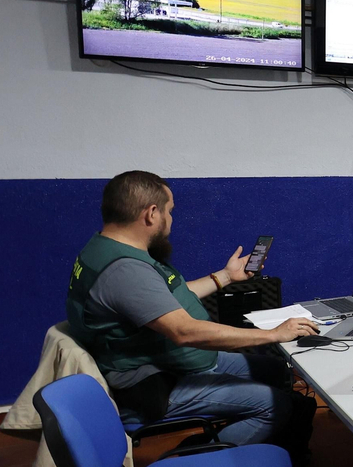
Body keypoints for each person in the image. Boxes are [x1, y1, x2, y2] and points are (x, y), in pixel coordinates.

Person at [64, 171, 319, 447]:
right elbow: (185, 332)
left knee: (277, 372)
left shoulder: (104, 248)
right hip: (155, 384)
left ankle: (270, 443)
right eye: (169, 211)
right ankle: (201, 457)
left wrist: (225, 276)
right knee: (275, 405)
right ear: (151, 214)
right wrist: (273, 335)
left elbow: (162, 299)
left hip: (170, 362)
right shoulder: (126, 270)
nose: (171, 220)